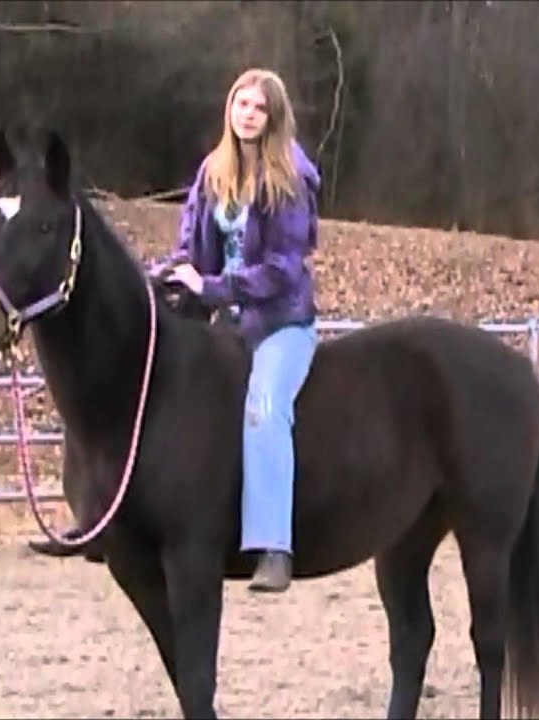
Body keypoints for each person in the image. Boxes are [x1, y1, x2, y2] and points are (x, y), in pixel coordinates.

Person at [158, 68, 321, 593]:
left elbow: (282, 270)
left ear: (273, 118)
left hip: (280, 324)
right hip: (222, 321)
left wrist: (213, 289)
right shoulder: (214, 172)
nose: (247, 114)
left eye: (258, 107)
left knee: (265, 407)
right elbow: (192, 247)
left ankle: (274, 548)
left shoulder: (289, 180)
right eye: (240, 104)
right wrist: (171, 273)